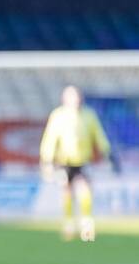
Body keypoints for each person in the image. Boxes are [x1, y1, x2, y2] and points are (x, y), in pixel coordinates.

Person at [40, 85, 118, 242]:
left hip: (83, 160)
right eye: (72, 97)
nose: (75, 100)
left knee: (85, 190)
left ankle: (87, 224)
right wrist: (47, 160)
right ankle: (69, 223)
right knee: (67, 192)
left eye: (77, 97)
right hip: (64, 161)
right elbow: (50, 138)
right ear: (65, 99)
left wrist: (107, 152)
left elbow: (99, 135)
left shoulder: (89, 115)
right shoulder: (58, 116)